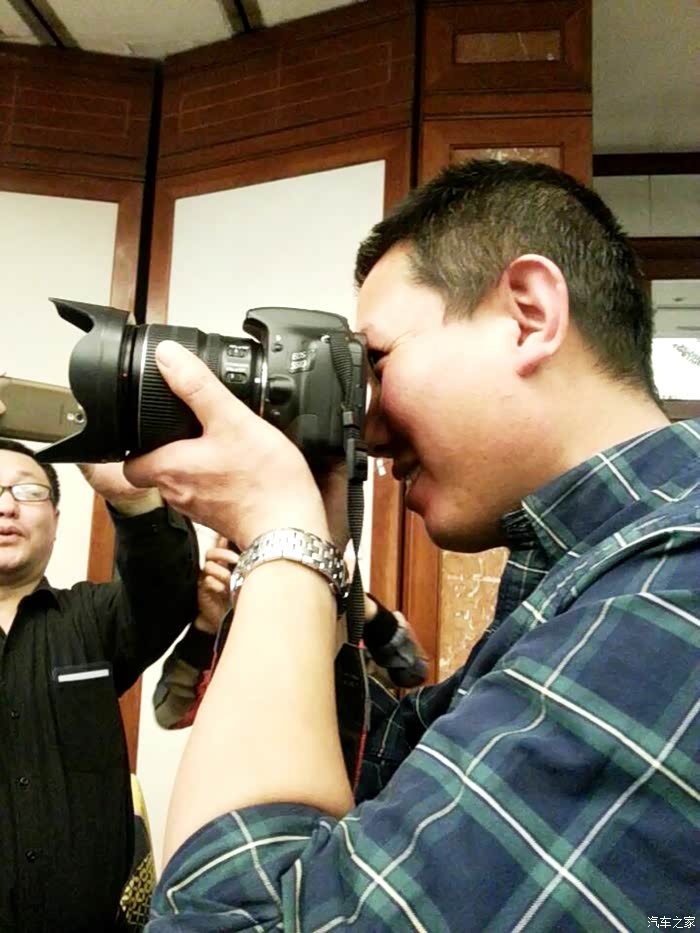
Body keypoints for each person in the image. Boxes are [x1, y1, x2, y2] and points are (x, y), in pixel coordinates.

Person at [126, 160, 697, 931]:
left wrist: (280, 536)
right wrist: (315, 552)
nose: (370, 427)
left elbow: (234, 918)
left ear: (529, 315)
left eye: (378, 361)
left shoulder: (674, 590)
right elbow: (386, 781)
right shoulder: (592, 577)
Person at [0, 437, 199, 932]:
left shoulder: (93, 617)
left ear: (55, 521)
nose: (6, 507)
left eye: (28, 492)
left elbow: (167, 591)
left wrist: (133, 501)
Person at [153, 539, 426, 729]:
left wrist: (363, 607)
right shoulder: (233, 631)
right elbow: (169, 714)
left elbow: (412, 670)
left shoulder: (341, 620)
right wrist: (207, 627)